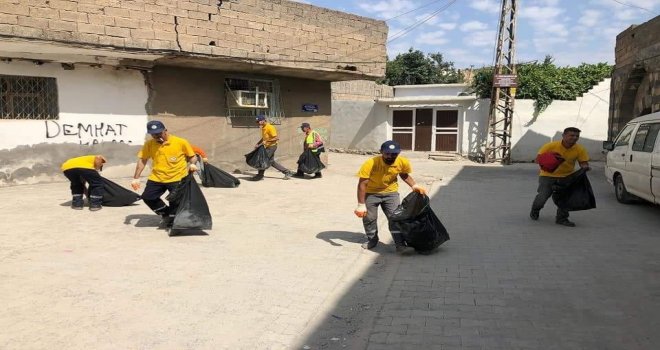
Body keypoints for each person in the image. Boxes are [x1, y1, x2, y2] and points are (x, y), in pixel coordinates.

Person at [354, 140, 428, 255]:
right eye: (387, 153)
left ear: (398, 153)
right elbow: (362, 184)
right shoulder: (371, 163)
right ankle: (372, 240)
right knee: (369, 218)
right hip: (371, 193)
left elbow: (404, 175)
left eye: (394, 154)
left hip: (391, 193)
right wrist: (361, 204)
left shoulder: (402, 162)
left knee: (395, 218)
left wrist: (414, 185)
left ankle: (400, 245)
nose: (390, 156)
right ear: (381, 152)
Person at [130, 120, 198, 227]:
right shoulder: (149, 144)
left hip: (177, 177)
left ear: (165, 130)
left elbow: (192, 157)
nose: (156, 136)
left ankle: (173, 220)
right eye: (153, 134)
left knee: (175, 202)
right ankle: (166, 214)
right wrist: (136, 178)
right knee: (148, 197)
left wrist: (193, 164)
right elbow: (143, 160)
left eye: (159, 133)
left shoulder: (180, 142)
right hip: (156, 177)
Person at [530, 127, 590, 227]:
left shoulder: (580, 149)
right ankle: (535, 209)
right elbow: (537, 160)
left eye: (577, 136)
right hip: (547, 175)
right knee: (543, 196)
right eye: (572, 135)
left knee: (565, 199)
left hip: (567, 177)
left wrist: (585, 167)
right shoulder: (551, 146)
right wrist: (552, 159)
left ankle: (562, 218)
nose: (574, 138)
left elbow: (583, 163)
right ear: (564, 135)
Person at [248, 115, 294, 181]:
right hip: (267, 146)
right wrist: (258, 143)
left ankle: (260, 176)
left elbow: (276, 138)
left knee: (262, 160)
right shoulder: (263, 127)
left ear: (263, 120)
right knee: (271, 162)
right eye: (257, 122)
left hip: (271, 146)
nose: (258, 123)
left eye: (259, 121)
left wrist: (266, 141)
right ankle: (287, 172)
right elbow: (264, 138)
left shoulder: (270, 127)